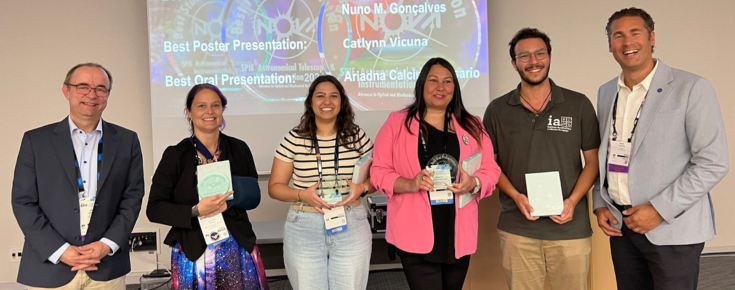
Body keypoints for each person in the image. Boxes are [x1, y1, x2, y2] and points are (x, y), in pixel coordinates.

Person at [592, 7, 729, 290]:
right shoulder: (606, 92)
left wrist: (659, 209)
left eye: (635, 33)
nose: (627, 42)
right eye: (618, 36)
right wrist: (600, 203)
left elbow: (713, 162)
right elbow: (604, 154)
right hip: (622, 227)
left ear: (652, 37)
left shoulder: (691, 87)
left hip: (672, 229)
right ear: (610, 45)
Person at [482, 28, 601, 290]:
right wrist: (516, 196)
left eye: (540, 53)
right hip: (518, 229)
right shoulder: (497, 110)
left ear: (549, 56)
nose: (533, 61)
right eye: (523, 56)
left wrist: (572, 201)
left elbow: (592, 162)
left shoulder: (578, 104)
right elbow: (489, 165)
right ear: (514, 63)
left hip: (570, 228)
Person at [371, 57, 500, 290]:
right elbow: (378, 172)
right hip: (413, 233)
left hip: (457, 235)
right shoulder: (397, 123)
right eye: (433, 80)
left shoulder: (472, 125)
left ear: (455, 88)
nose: (440, 87)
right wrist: (410, 184)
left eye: (447, 81)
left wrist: (475, 182)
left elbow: (491, 169)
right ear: (422, 85)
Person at [11, 63, 144, 289]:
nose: (92, 95)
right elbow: (23, 202)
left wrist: (106, 244)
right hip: (50, 268)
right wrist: (60, 250)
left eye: (101, 88)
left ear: (108, 95)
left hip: (107, 267)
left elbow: (132, 198)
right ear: (66, 91)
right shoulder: (36, 141)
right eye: (83, 87)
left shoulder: (127, 140)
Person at [147, 84, 268, 289]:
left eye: (216, 105)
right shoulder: (175, 155)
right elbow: (155, 209)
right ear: (189, 112)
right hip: (193, 251)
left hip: (237, 246)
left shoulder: (239, 148)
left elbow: (253, 197)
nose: (209, 111)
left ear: (222, 110)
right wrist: (196, 210)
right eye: (201, 106)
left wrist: (230, 200)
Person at [268, 75, 375, 289]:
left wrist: (362, 188)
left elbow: (378, 178)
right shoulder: (294, 138)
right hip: (305, 224)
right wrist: (301, 194)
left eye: (333, 96)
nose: (327, 101)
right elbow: (274, 187)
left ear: (342, 102)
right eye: (320, 96)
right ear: (310, 102)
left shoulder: (357, 136)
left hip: (350, 221)